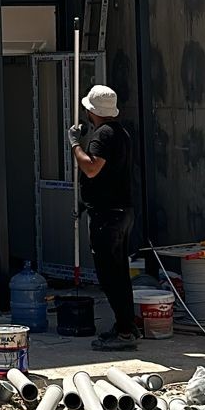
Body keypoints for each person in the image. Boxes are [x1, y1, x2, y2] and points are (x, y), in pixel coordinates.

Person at [70, 84, 138, 351]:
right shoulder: (121, 133)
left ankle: (125, 331)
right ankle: (125, 325)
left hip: (108, 216)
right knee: (119, 274)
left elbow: (91, 168)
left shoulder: (103, 134)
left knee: (110, 276)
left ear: (92, 111)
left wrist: (75, 143)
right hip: (121, 212)